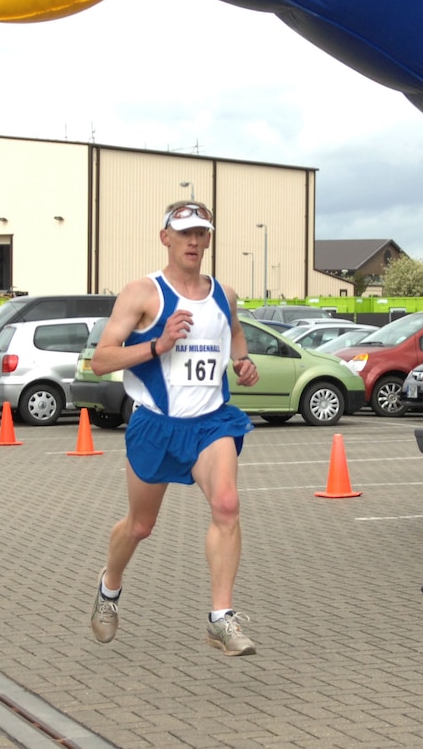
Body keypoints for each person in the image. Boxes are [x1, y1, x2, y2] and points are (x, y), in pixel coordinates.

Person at [89, 200, 260, 655]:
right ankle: (109, 587)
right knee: (141, 526)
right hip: (156, 425)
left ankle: (220, 618)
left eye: (202, 233)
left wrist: (241, 361)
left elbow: (236, 333)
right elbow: (101, 360)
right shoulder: (143, 293)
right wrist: (157, 345)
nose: (194, 241)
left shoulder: (224, 293)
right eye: (185, 233)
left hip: (211, 421)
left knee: (227, 504)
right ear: (165, 237)